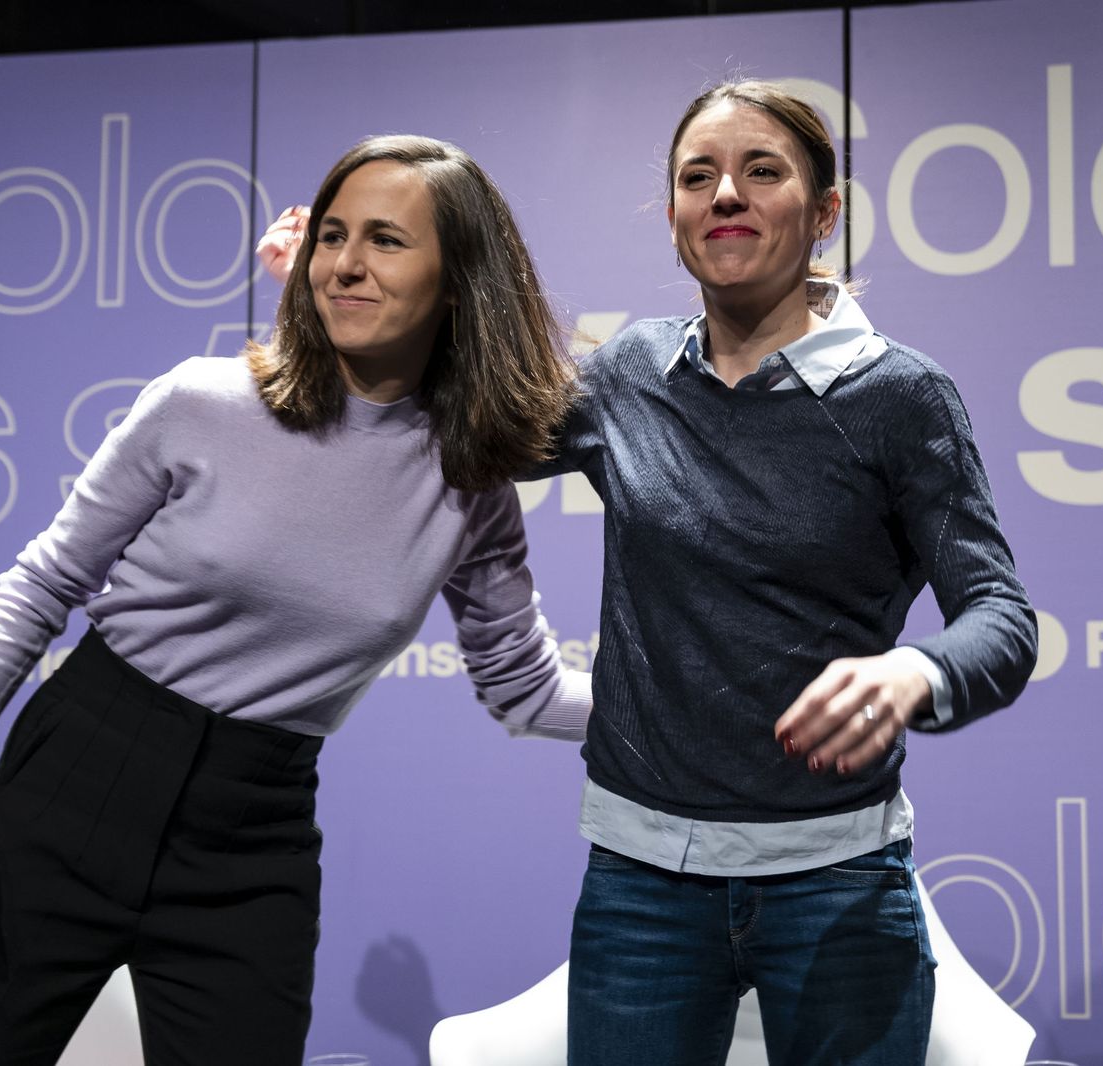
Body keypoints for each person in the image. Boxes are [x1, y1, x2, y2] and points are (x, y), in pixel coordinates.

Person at [259, 81, 1036, 1065]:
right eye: (696, 176)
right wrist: (331, 297)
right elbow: (459, 425)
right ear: (672, 215)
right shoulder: (631, 372)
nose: (724, 195)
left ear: (826, 212)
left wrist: (914, 673)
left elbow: (1000, 616)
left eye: (762, 171)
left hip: (839, 884)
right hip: (641, 887)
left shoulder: (901, 396)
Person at [0, 134, 590, 1066]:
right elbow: (43, 581)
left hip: (251, 838)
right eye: (332, 235)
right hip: (72, 780)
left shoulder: (472, 485)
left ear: (458, 281)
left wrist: (701, 714)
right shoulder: (201, 401)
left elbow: (526, 690)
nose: (345, 263)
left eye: (385, 240)